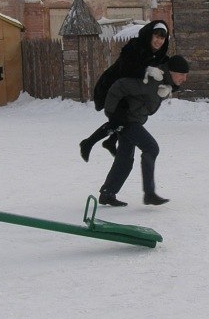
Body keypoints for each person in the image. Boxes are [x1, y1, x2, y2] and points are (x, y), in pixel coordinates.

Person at [97, 54, 189, 207]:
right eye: (181, 75)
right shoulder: (152, 81)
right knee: (151, 147)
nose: (184, 79)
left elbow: (147, 104)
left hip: (132, 119)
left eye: (186, 75)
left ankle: (107, 193)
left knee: (125, 158)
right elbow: (119, 86)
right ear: (171, 72)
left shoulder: (164, 84)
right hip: (127, 120)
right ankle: (149, 193)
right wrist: (113, 114)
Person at [80, 20, 170, 162]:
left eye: (162, 38)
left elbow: (169, 74)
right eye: (156, 36)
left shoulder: (161, 57)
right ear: (150, 35)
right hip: (113, 87)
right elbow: (126, 68)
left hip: (129, 94)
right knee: (119, 119)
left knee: (129, 118)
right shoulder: (135, 46)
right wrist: (147, 70)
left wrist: (170, 87)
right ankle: (88, 143)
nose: (159, 41)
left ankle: (109, 141)